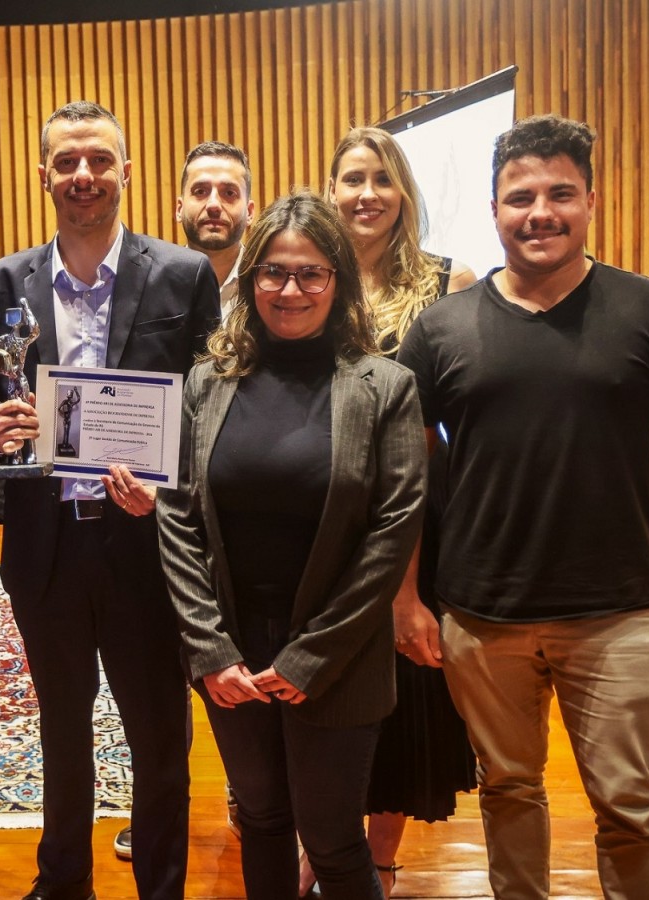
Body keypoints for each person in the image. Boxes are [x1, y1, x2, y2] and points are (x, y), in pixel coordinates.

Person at [397, 115, 649, 900]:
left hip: (620, 611)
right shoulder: (441, 327)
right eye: (520, 197)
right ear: (494, 210)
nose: (539, 212)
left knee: (631, 809)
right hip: (482, 614)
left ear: (591, 199)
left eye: (560, 193)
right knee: (507, 791)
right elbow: (404, 476)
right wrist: (405, 596)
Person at [0, 100, 219, 900]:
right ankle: (63, 880)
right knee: (62, 728)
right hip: (45, 548)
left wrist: (166, 484)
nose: (83, 176)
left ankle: (161, 886)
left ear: (126, 171)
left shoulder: (184, 275)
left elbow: (208, 410)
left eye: (99, 160)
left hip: (144, 544)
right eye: (67, 162)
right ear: (43, 174)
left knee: (157, 738)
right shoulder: (0, 282)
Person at [157, 191, 425, 900]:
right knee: (264, 821)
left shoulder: (385, 387)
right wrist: (210, 650)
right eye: (272, 272)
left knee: (334, 840)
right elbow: (178, 518)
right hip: (234, 654)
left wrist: (314, 655)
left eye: (311, 273)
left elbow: (393, 529)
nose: (290, 290)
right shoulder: (206, 383)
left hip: (337, 654)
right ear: (249, 284)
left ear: (338, 281)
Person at [325, 125, 478, 897]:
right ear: (331, 191)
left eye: (381, 179)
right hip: (321, 512)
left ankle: (379, 863)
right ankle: (323, 850)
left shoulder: (451, 284)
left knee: (402, 690)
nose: (366, 194)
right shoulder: (306, 277)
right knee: (322, 687)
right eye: (352, 178)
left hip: (419, 512)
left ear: (404, 193)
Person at [176, 141, 255, 311]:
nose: (214, 205)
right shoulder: (155, 285)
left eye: (229, 193)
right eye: (200, 191)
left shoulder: (268, 286)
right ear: (179, 209)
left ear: (249, 212)